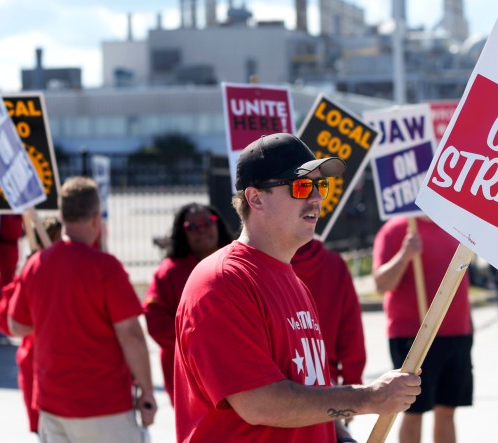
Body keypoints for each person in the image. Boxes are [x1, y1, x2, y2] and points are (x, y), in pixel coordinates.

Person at [173, 133, 421, 442]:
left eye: (320, 186)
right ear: (256, 198)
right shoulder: (222, 283)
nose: (316, 198)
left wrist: (340, 435)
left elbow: (311, 385)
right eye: (302, 186)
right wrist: (367, 398)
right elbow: (258, 402)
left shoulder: (295, 283)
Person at [8, 177, 157, 442]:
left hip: (52, 404)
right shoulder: (105, 267)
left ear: (61, 215)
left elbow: (17, 325)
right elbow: (130, 334)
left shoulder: (36, 264)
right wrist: (147, 391)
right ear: (96, 217)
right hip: (104, 405)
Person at [373, 215, 473, 443]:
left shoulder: (455, 225)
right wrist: (405, 254)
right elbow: (381, 284)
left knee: (448, 410)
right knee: (413, 412)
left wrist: (469, 327)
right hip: (414, 336)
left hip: (457, 334)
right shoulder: (397, 229)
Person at [142, 202, 233, 404]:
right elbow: (155, 321)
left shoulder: (238, 262)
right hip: (188, 374)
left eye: (207, 223)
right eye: (192, 227)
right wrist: (199, 343)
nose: (201, 230)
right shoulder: (168, 272)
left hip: (235, 368)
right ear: (183, 233)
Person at [0, 216, 62, 433]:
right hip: (38, 365)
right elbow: (4, 320)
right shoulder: (31, 274)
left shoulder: (71, 271)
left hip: (62, 367)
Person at [291, 239, 367, 387]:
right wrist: (352, 384)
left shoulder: (254, 266)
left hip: (273, 389)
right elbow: (352, 332)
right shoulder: (335, 264)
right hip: (326, 386)